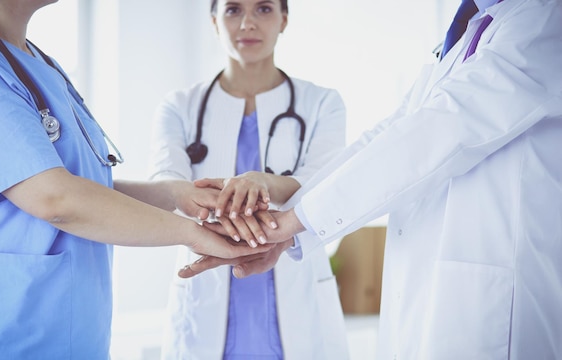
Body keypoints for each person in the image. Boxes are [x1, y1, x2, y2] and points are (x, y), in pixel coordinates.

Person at [181, 0, 562, 358]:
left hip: (493, 292)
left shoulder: (542, 23)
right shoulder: (464, 31)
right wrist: (294, 225)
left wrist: (292, 222)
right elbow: (392, 132)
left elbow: (437, 131)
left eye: (263, 7)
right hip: (425, 292)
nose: (248, 21)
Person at [0, 1, 271, 358]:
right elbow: (54, 199)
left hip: (72, 331)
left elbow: (84, 186)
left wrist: (173, 194)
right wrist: (192, 233)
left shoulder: (40, 63)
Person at [148, 0, 349, 358]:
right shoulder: (179, 106)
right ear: (214, 21)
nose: (247, 24)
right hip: (207, 298)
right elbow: (168, 183)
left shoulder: (322, 103)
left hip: (295, 289)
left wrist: (264, 182)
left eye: (264, 9)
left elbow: (326, 182)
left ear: (284, 19)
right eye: (233, 10)